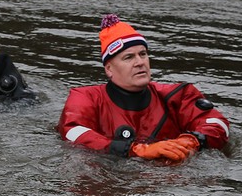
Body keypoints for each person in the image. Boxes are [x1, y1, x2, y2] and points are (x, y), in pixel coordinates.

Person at [57, 14, 231, 161]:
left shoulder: (178, 95)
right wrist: (137, 150)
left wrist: (191, 141)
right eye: (128, 57)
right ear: (109, 69)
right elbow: (72, 132)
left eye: (143, 54)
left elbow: (218, 124)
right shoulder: (85, 98)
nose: (139, 62)